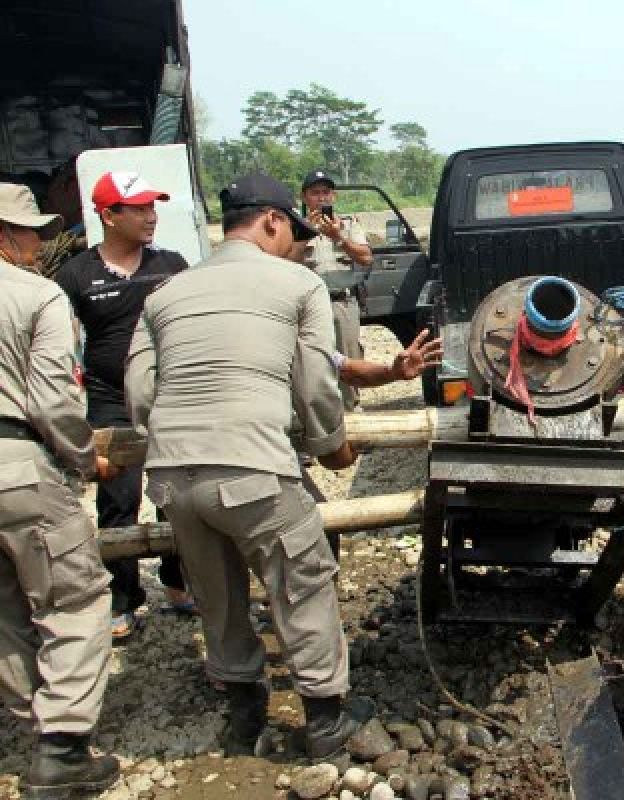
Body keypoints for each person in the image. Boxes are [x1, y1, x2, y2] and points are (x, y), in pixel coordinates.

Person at [125, 172, 374, 757]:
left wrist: (175, 436)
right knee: (302, 582)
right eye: (294, 231)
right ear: (271, 220)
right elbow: (316, 385)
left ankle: (243, 716)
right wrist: (327, 446)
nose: (298, 244)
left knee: (217, 593)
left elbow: (139, 392)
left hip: (172, 476)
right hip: (252, 467)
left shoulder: (164, 293)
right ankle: (324, 724)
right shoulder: (297, 284)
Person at [0, 183, 121, 797]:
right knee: (74, 598)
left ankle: (36, 730)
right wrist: (83, 459)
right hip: (16, 463)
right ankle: (63, 745)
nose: (38, 245)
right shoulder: (36, 296)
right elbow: (51, 399)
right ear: (3, 235)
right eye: (28, 233)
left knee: (4, 611)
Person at [56, 171, 195, 640]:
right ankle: (123, 598)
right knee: (118, 498)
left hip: (168, 396)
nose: (150, 216)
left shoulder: (172, 265)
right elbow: (59, 343)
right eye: (137, 208)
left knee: (177, 494)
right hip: (110, 400)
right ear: (108, 215)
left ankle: (179, 583)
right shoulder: (76, 275)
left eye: (152, 206)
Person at [300, 169, 374, 411]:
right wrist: (305, 233)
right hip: (310, 306)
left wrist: (338, 237)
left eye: (326, 192)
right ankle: (323, 421)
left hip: (342, 302)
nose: (321, 198)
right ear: (304, 197)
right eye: (315, 193)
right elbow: (283, 261)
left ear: (334, 197)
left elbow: (365, 258)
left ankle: (354, 419)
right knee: (312, 361)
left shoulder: (349, 224)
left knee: (349, 360)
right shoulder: (296, 228)